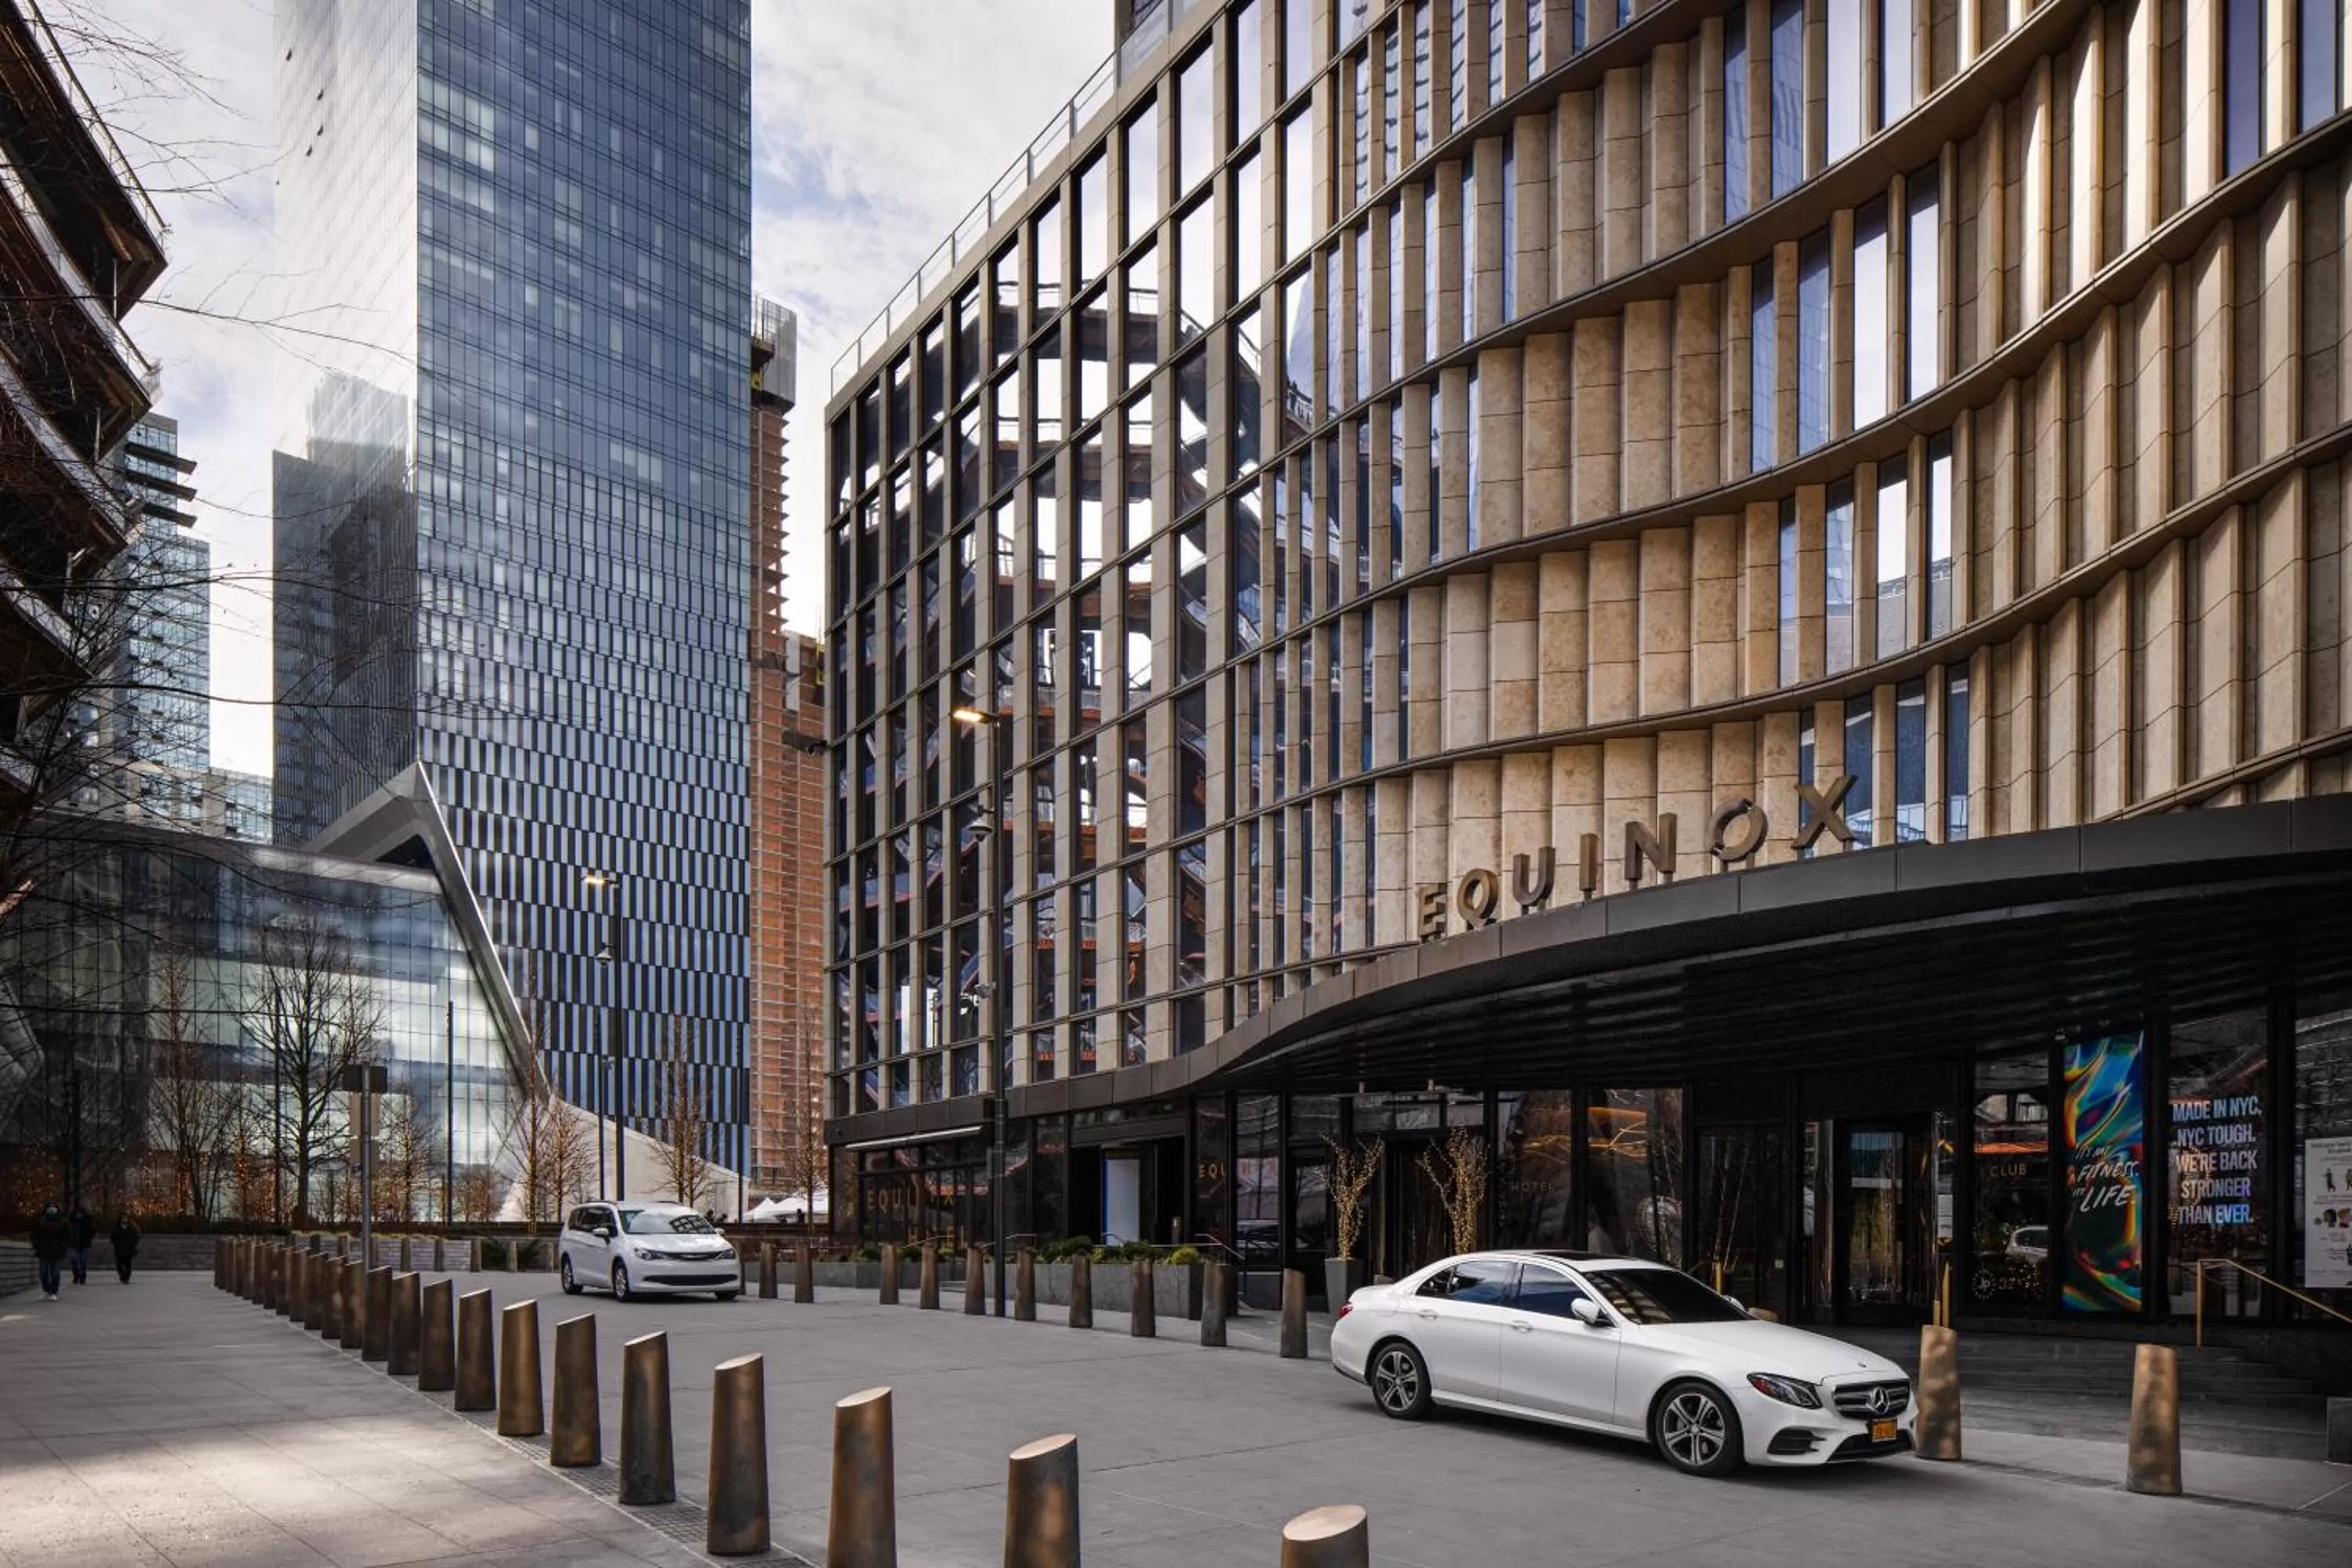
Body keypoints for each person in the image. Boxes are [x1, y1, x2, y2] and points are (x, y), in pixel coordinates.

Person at [28, 1203, 68, 1301]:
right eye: (50, 1208)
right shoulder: (40, 1222)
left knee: (55, 1273)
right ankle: (47, 1290)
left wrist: (64, 1246)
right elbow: (33, 1235)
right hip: (43, 1251)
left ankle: (54, 1292)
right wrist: (36, 1245)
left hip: (57, 1251)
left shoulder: (62, 1222)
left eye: (53, 1208)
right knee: (43, 1272)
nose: (52, 1210)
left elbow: (67, 1236)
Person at [67, 1205, 95, 1286]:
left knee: (83, 1261)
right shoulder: (72, 1223)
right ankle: (76, 1274)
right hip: (74, 1244)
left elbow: (92, 1232)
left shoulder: (87, 1222)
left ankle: (82, 1276)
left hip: (84, 1244)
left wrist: (88, 1240)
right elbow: (68, 1232)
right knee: (74, 1260)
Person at [109, 1213, 140, 1283]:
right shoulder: (116, 1228)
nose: (124, 1219)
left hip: (129, 1248)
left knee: (128, 1264)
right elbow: (113, 1237)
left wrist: (133, 1244)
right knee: (119, 1265)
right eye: (123, 1218)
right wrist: (116, 1244)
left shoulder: (132, 1228)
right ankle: (123, 1275)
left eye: (126, 1218)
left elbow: (136, 1236)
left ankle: (126, 1277)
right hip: (119, 1248)